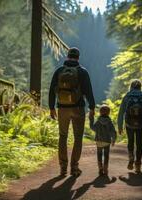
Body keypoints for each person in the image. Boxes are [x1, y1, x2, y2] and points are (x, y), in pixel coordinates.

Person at [49, 47, 95, 176]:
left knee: (62, 136)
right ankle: (74, 168)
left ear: (67, 56)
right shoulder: (82, 72)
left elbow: (52, 90)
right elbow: (88, 91)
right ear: (78, 58)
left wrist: (51, 107)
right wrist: (92, 107)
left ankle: (63, 168)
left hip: (62, 108)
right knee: (78, 137)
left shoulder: (59, 71)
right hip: (78, 108)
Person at [117, 79, 142, 173]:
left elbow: (121, 112)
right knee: (139, 143)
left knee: (130, 141)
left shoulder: (127, 96)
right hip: (141, 124)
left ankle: (131, 158)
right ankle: (138, 165)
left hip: (129, 124)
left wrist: (120, 126)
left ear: (131, 87)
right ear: (140, 87)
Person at [89, 105, 116, 176]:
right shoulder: (109, 123)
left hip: (99, 141)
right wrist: (113, 139)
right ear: (108, 113)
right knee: (106, 155)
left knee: (99, 154)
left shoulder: (98, 122)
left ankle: (100, 168)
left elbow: (92, 127)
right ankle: (105, 169)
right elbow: (113, 131)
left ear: (100, 113)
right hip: (107, 141)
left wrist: (91, 118)